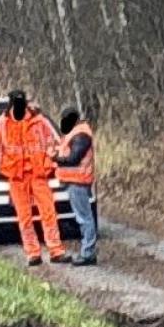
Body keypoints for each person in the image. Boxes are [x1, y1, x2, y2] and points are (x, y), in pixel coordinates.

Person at [0, 87, 66, 266]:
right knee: (24, 217)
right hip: (17, 177)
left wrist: (48, 163)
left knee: (49, 213)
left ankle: (55, 250)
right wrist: (7, 167)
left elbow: (53, 142)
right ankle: (32, 253)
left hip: (38, 174)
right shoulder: (1, 124)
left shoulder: (40, 121)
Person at [55, 105, 98, 265]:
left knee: (84, 218)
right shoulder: (77, 132)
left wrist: (56, 158)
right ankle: (87, 251)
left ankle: (88, 253)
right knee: (83, 217)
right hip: (75, 180)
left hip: (78, 181)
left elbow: (74, 158)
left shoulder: (81, 134)